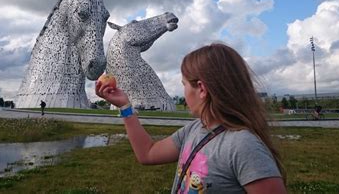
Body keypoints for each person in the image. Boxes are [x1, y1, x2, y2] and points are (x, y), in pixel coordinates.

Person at [96, 43, 286, 193]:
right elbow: (148, 153)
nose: (183, 92)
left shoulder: (244, 146)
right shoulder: (195, 129)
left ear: (201, 89)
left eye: (184, 84)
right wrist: (125, 107)